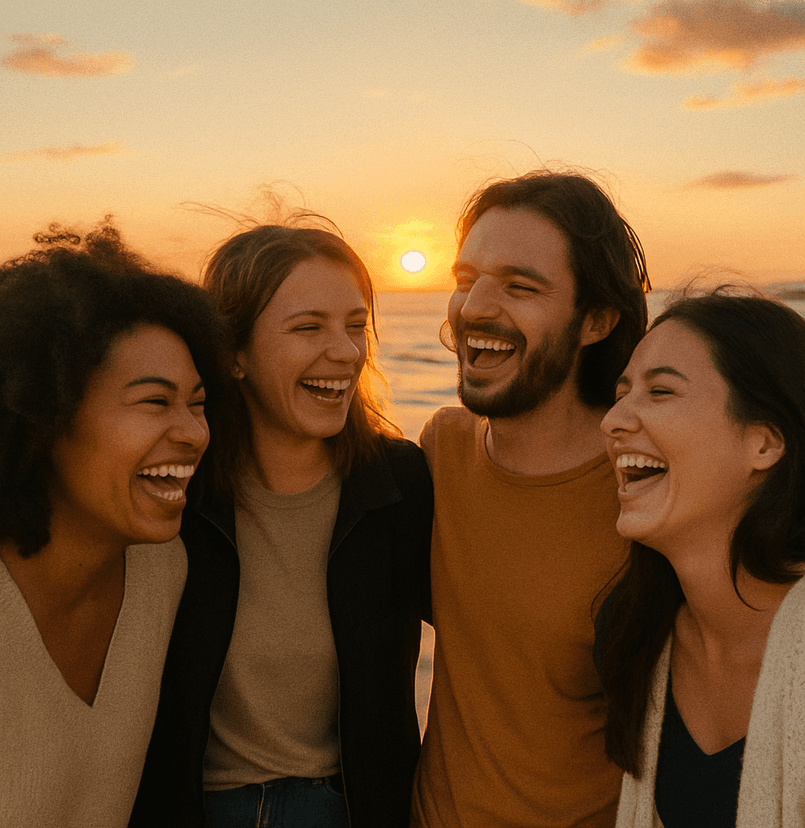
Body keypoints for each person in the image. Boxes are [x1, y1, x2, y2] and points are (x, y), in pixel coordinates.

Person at [410, 170, 650, 828]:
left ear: (596, 320)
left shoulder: (646, 492)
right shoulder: (440, 449)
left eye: (520, 286)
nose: (474, 308)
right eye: (465, 280)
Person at [0, 222, 238, 827]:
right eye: (155, 401)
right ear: (46, 413)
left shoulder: (160, 571)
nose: (194, 432)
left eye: (198, 404)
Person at [187, 219, 433, 828]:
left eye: (355, 326)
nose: (346, 352)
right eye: (308, 327)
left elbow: (492, 644)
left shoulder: (398, 484)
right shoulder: (178, 491)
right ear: (234, 354)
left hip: (351, 811)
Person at [598, 291, 805, 828]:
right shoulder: (636, 636)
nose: (614, 420)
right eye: (621, 393)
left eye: (660, 391)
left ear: (764, 444)